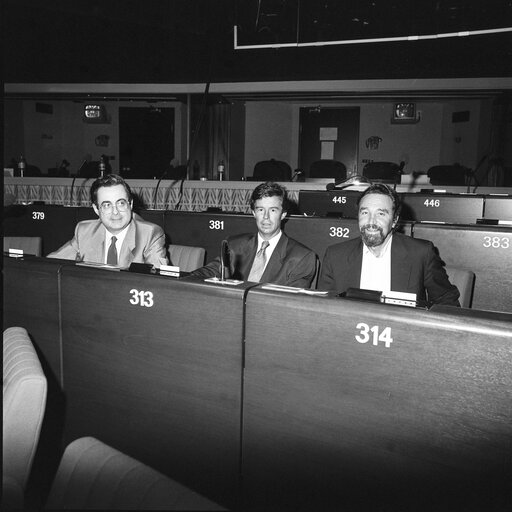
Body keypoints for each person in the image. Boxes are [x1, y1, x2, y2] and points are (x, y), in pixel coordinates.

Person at [318, 183, 460, 306]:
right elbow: (322, 308)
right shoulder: (336, 256)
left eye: (381, 214)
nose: (371, 221)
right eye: (365, 212)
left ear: (394, 220)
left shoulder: (420, 254)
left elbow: (447, 301)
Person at [192, 182, 317, 288]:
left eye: (273, 210)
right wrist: (181, 278)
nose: (266, 217)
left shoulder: (302, 257)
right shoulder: (234, 245)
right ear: (253, 213)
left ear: (283, 214)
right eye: (260, 210)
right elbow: (210, 271)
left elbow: (291, 303)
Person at [48, 174, 168, 268]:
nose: (115, 212)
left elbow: (159, 282)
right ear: (96, 209)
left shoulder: (150, 234)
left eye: (121, 203)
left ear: (130, 204)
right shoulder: (84, 231)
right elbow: (48, 265)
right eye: (107, 205)